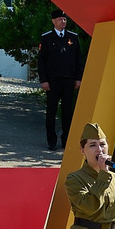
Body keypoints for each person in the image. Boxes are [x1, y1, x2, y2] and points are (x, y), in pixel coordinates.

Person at [33, 11, 86, 151]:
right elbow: (42, 61)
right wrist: (44, 80)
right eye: (60, 19)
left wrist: (78, 79)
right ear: (53, 21)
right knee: (51, 110)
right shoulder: (47, 38)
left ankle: (66, 140)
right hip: (52, 81)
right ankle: (51, 141)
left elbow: (78, 60)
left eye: (64, 19)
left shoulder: (73, 37)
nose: (63, 21)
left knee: (68, 111)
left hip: (69, 80)